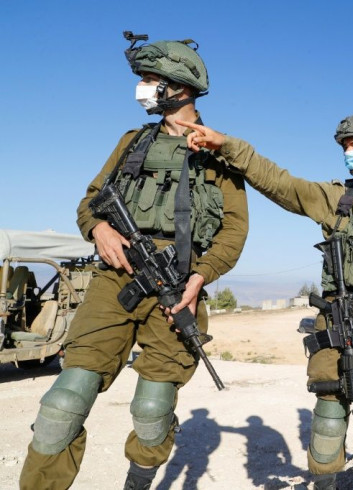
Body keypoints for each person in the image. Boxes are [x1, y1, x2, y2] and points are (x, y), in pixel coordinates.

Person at [19, 33, 248, 490]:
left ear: (180, 86)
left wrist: (200, 276)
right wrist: (100, 229)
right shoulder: (132, 142)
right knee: (63, 402)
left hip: (178, 287)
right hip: (113, 280)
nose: (142, 87)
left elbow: (234, 233)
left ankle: (138, 484)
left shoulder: (220, 152)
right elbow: (91, 202)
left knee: (151, 408)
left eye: (150, 78)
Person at [176, 112, 353, 489]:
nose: (349, 154)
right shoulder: (335, 198)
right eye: (346, 147)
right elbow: (279, 182)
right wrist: (227, 145)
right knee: (326, 425)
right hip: (337, 320)